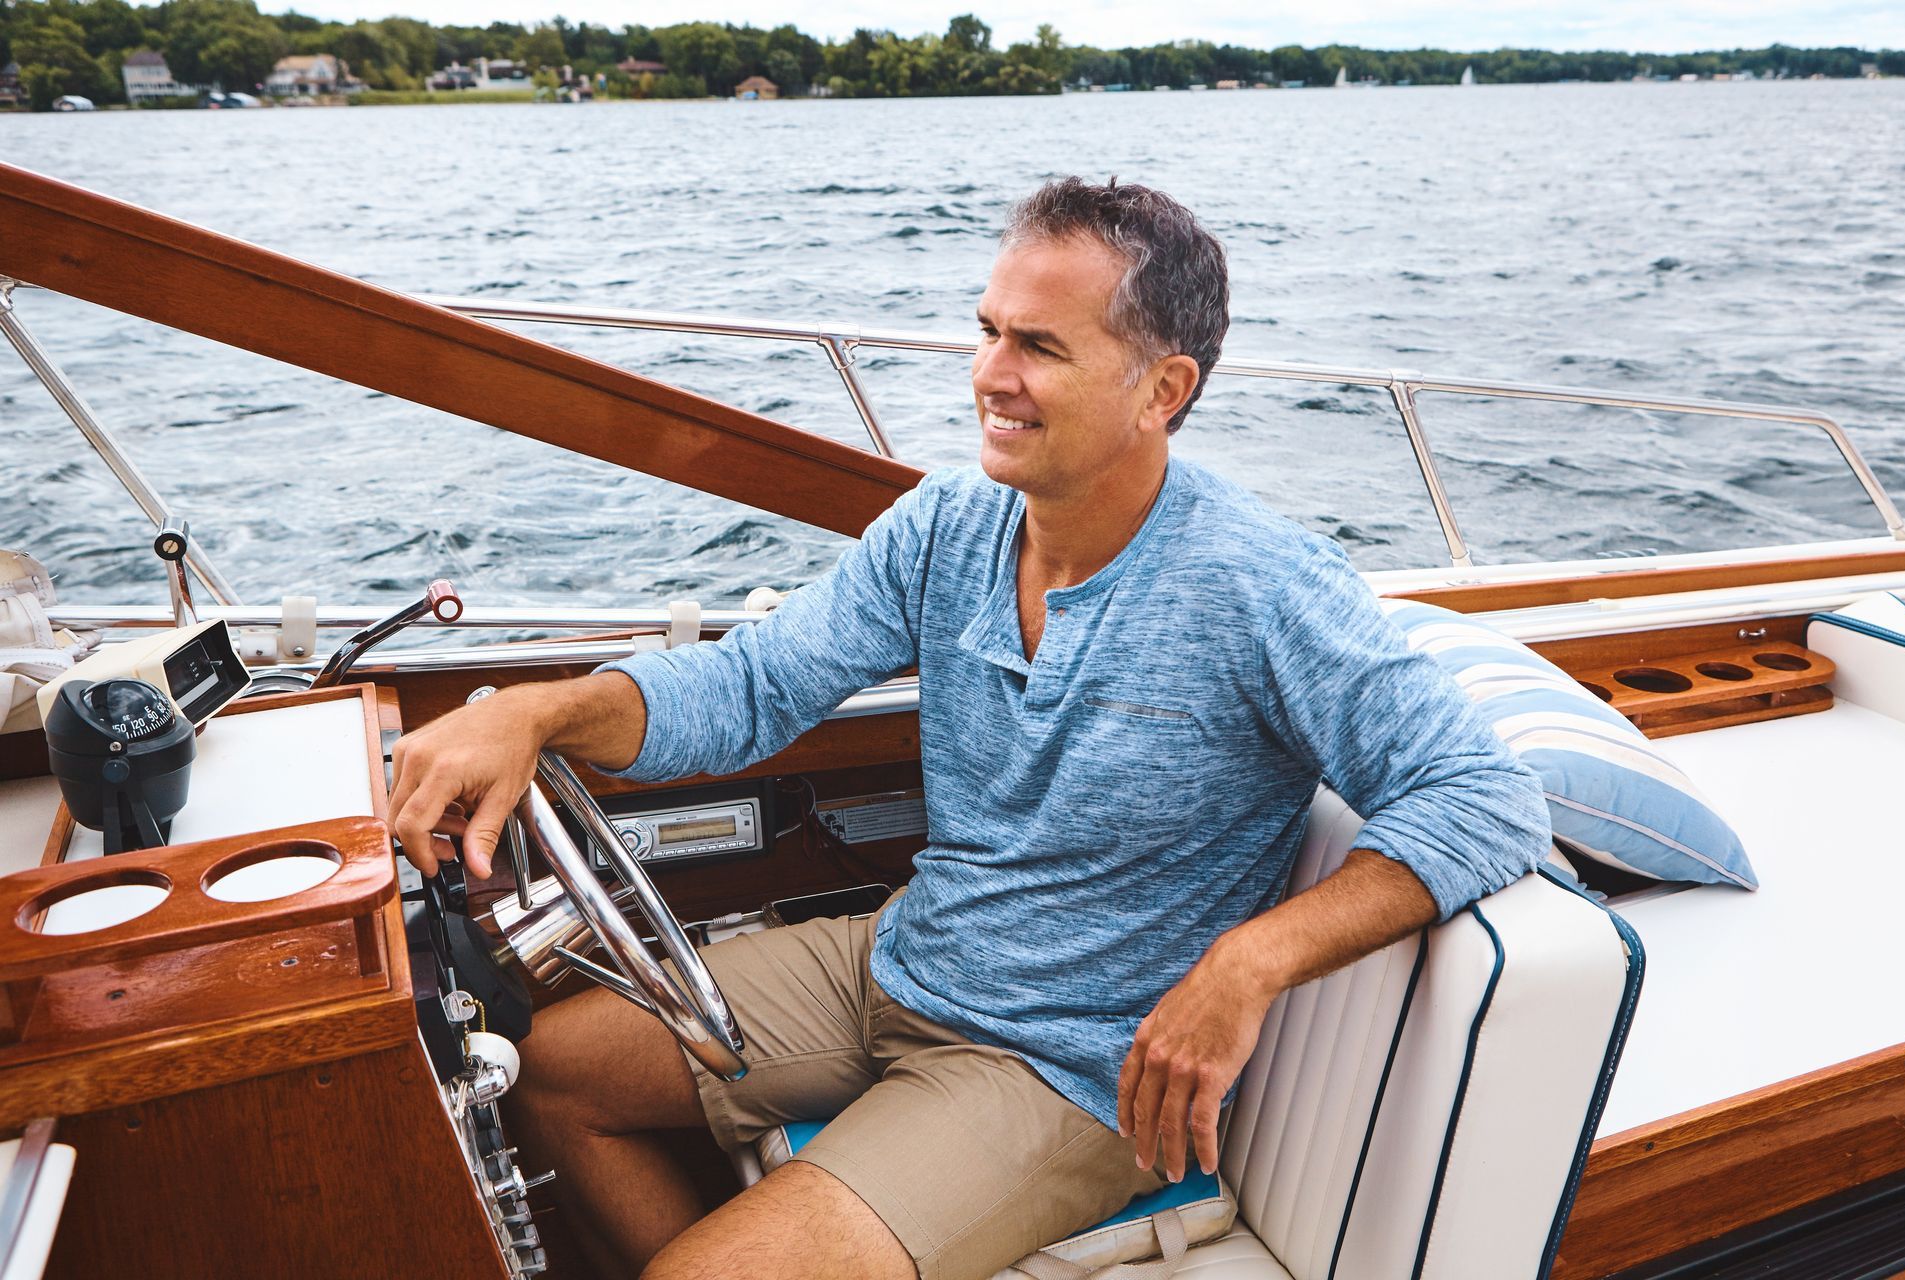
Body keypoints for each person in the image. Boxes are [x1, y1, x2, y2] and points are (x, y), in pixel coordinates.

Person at [389, 177, 1550, 1280]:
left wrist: (1245, 964)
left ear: (1163, 389)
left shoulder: (1260, 583)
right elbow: (749, 687)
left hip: (1067, 1068)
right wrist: (535, 711)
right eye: (989, 329)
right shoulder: (949, 521)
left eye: (1040, 346)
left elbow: (1485, 798)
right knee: (544, 1075)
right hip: (903, 959)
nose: (989, 374)